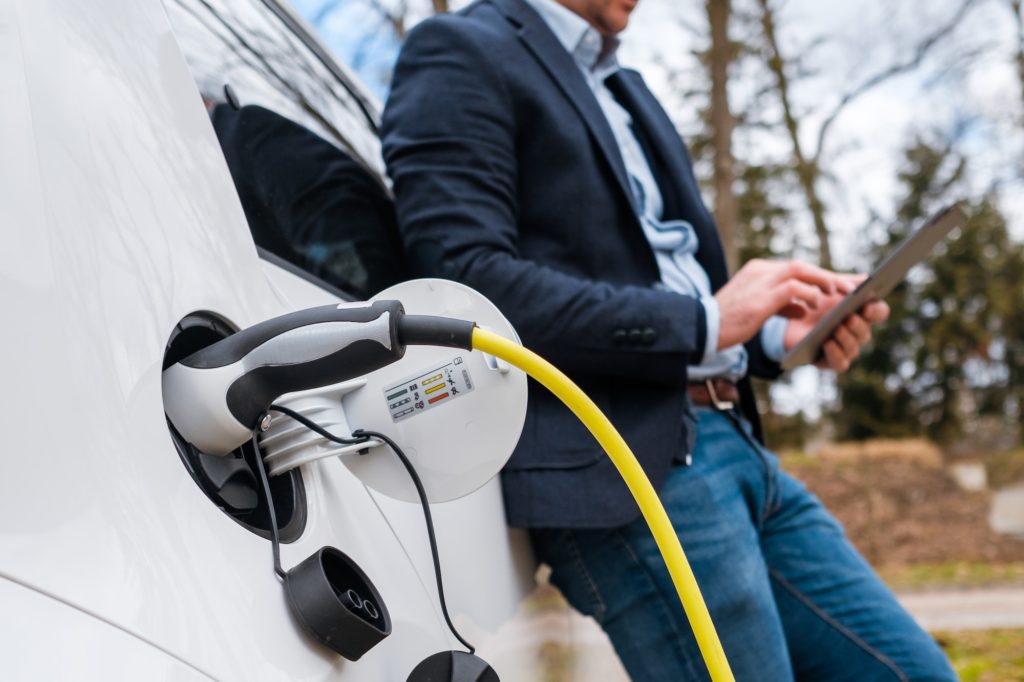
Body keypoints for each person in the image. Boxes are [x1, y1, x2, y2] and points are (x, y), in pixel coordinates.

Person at [381, 0, 956, 679]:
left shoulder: (625, 86)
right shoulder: (459, 48)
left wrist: (773, 337)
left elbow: (664, 280)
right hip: (628, 469)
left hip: (733, 441)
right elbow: (468, 283)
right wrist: (706, 322)